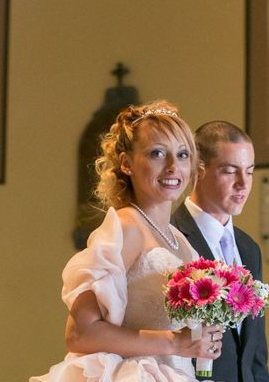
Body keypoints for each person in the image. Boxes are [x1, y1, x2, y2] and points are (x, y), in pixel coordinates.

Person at [30, 101, 223, 382]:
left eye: (182, 155)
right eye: (157, 153)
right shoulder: (126, 227)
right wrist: (173, 342)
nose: (173, 166)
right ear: (126, 163)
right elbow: (79, 334)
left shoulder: (180, 241)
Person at [171, 121, 269, 382]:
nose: (243, 184)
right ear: (198, 170)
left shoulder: (249, 249)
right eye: (230, 171)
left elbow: (256, 353)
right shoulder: (171, 238)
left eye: (249, 172)